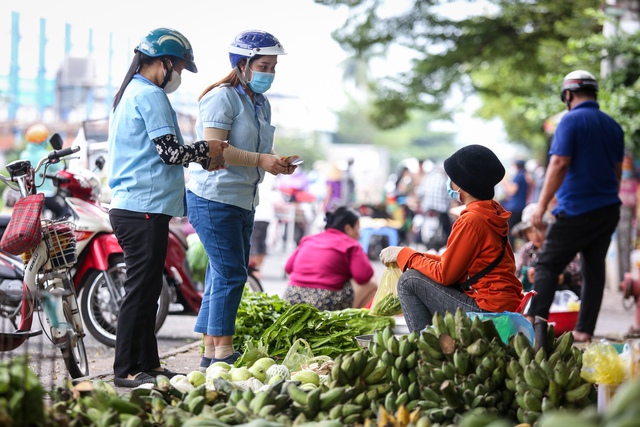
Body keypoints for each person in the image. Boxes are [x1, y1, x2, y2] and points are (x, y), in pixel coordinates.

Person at [107, 27, 228, 388]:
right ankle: (126, 369)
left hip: (143, 207)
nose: (177, 75)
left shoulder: (134, 92)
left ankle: (149, 365)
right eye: (178, 67)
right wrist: (206, 151)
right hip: (141, 207)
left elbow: (166, 152)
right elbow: (171, 153)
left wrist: (201, 154)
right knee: (140, 291)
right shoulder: (150, 95)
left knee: (147, 290)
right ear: (163, 64)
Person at [185, 30, 294, 371]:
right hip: (213, 198)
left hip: (244, 200)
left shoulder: (261, 103)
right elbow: (215, 151)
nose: (270, 73)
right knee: (233, 275)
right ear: (243, 64)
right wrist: (261, 160)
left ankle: (207, 353)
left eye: (274, 67)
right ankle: (223, 353)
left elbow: (257, 150)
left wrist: (274, 161)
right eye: (264, 65)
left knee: (222, 275)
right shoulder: (221, 98)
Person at [379, 144, 523, 332]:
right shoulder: (490, 212)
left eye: (452, 179)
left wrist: (406, 255)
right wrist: (414, 255)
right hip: (500, 303)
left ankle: (425, 349)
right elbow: (455, 263)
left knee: (409, 280)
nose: (449, 183)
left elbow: (444, 275)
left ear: (464, 187)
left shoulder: (472, 220)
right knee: (417, 270)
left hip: (486, 309)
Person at [525, 70, 624, 342]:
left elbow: (559, 163)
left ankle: (535, 324)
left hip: (577, 211)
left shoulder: (569, 122)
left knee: (546, 264)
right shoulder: (613, 126)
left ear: (567, 95)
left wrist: (541, 205)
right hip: (607, 209)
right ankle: (583, 331)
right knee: (593, 269)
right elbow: (616, 172)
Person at [283, 206, 377, 310]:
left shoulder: (308, 239)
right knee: (372, 282)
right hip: (323, 302)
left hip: (291, 298)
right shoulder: (351, 244)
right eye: (358, 229)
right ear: (348, 228)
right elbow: (363, 276)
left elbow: (288, 268)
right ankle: (353, 320)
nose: (359, 235)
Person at [513, 203, 582, 296]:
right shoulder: (526, 250)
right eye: (530, 231)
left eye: (539, 229)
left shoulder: (561, 246)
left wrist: (555, 277)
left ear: (547, 228)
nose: (535, 235)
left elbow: (577, 274)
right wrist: (527, 276)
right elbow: (516, 276)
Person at [20, 124, 67, 218]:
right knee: (63, 213)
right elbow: (61, 170)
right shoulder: (47, 155)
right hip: (46, 195)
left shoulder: (23, 155)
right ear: (43, 140)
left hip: (30, 196)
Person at [501, 159, 530, 247]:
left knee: (510, 230)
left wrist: (504, 182)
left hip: (515, 207)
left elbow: (512, 191)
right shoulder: (525, 176)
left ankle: (512, 250)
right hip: (520, 206)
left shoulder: (519, 175)